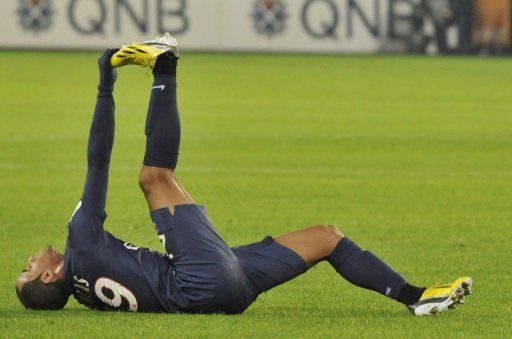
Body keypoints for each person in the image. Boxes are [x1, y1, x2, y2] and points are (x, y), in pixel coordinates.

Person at [15, 34, 472, 316]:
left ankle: (416, 297)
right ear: (50, 277)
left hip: (226, 293)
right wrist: (105, 84)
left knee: (326, 237)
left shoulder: (88, 296)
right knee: (154, 177)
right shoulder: (80, 244)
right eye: (27, 270)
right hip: (199, 278)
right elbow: (98, 159)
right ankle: (165, 65)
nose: (28, 261)